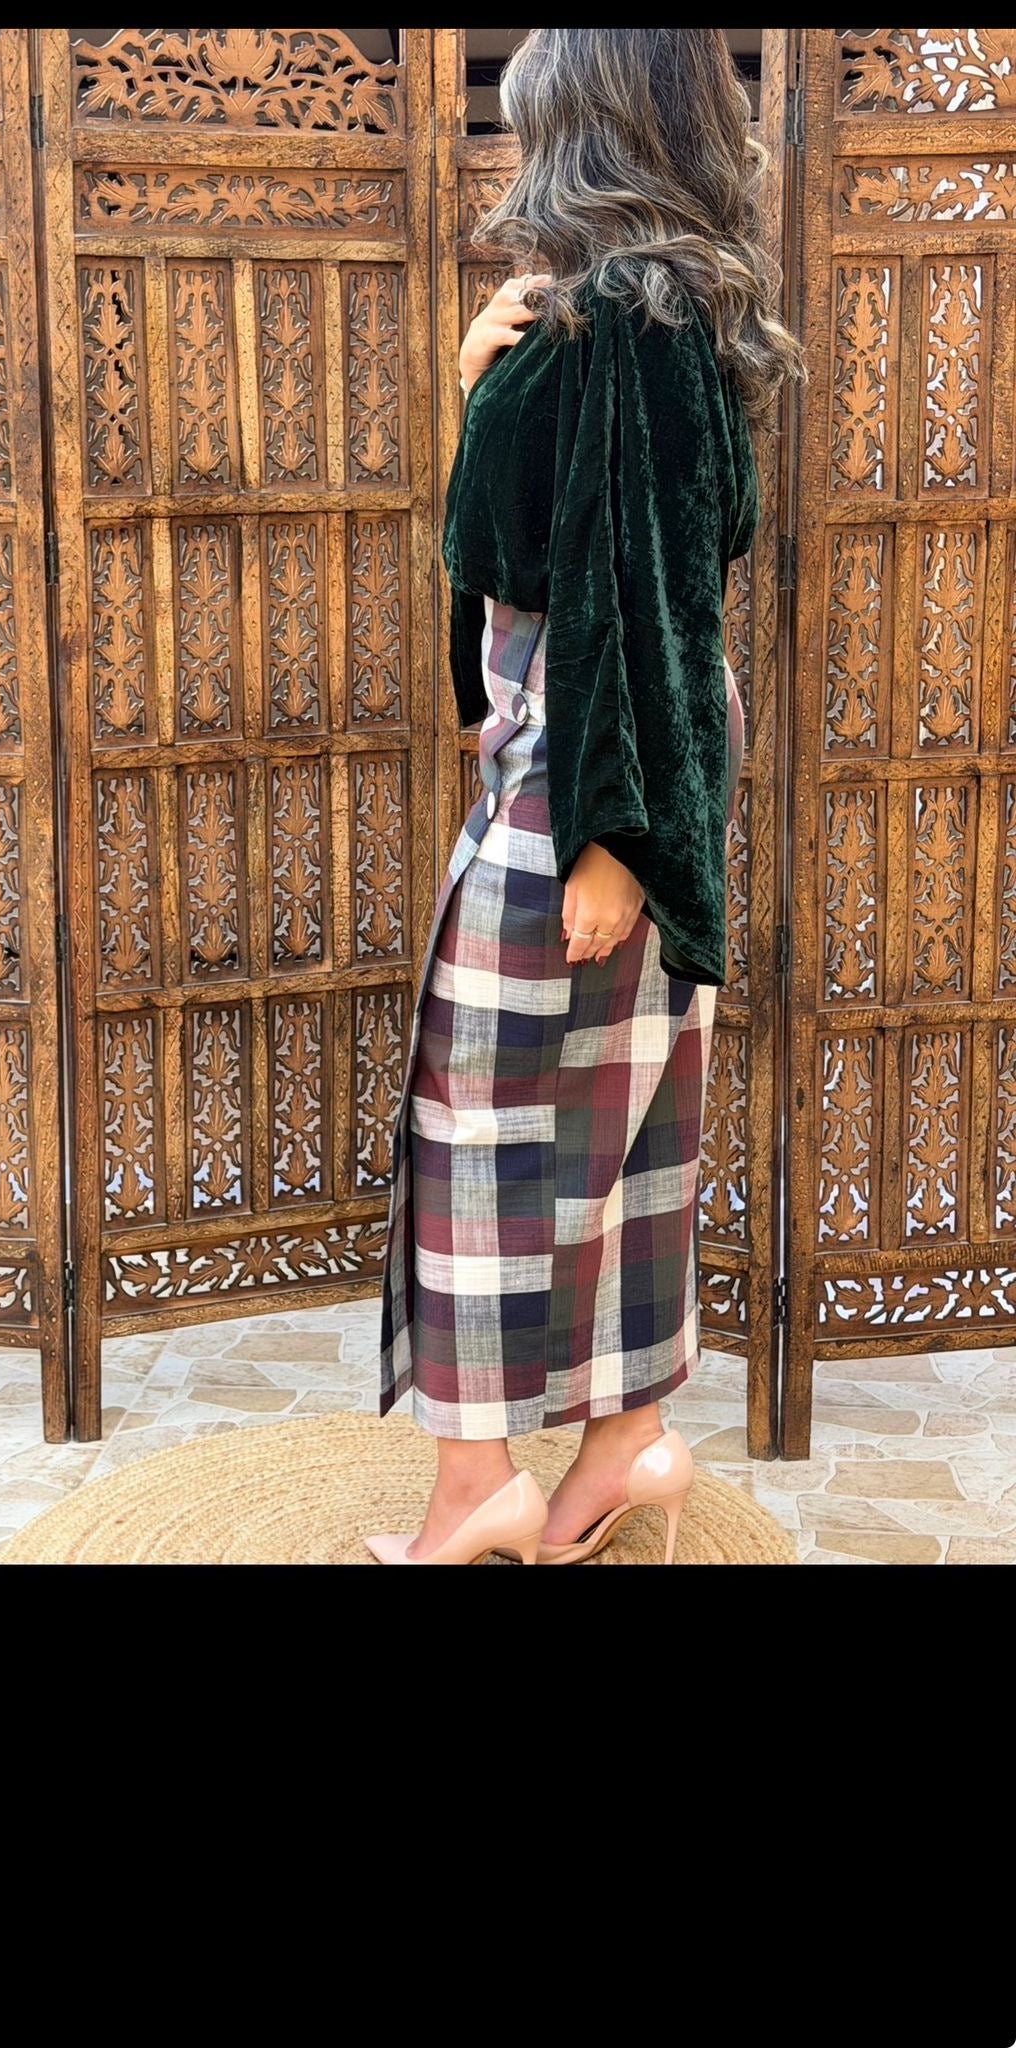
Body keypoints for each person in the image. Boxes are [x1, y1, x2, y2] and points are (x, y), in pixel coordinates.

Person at [366, 27, 802, 1566]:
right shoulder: (638, 315)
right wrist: (477, 386)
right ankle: (620, 1447)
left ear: (594, 129)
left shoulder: (632, 318)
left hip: (595, 769)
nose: (514, 149)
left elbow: (644, 590)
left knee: (485, 1121)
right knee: (619, 1125)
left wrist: (613, 839)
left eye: (530, 119)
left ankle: (478, 1482)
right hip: (616, 758)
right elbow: (536, 550)